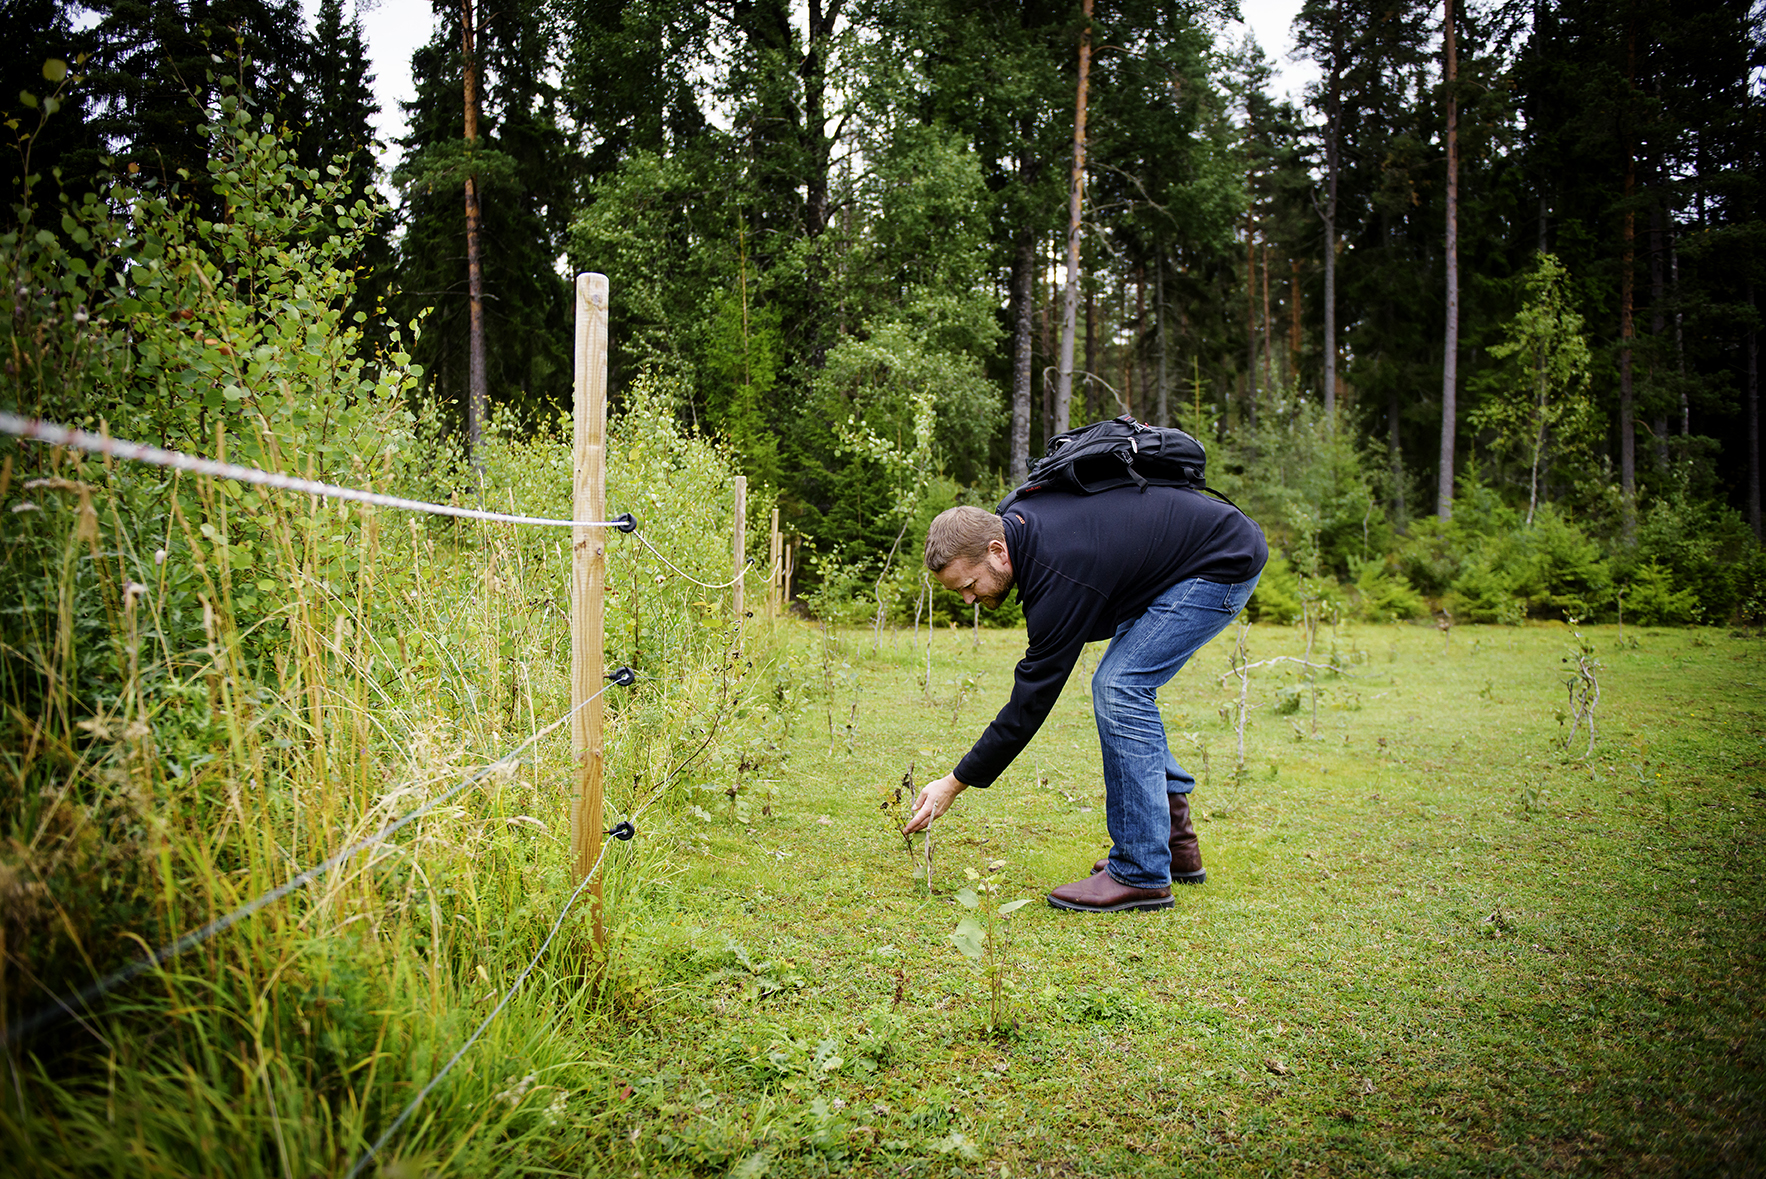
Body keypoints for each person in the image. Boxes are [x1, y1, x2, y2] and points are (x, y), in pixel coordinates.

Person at [903, 489, 1266, 912]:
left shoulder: (1057, 571)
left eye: (969, 585)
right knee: (1120, 685)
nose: (969, 600)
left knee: (1120, 687)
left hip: (1221, 560)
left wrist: (954, 782)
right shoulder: (1020, 524)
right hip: (1176, 562)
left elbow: (1029, 705)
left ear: (997, 551)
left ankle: (1141, 872)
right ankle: (1175, 846)